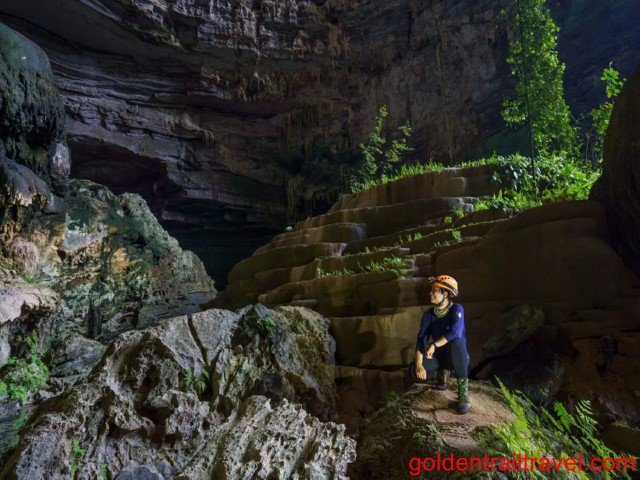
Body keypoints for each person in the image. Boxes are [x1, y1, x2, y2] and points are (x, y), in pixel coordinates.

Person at [408, 274, 471, 414]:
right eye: (431, 290)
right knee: (413, 370)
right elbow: (421, 340)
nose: (431, 293)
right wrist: (419, 365)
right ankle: (441, 374)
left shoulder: (457, 309)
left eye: (435, 290)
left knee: (457, 342)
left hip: (456, 356)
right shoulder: (428, 315)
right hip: (439, 358)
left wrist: (434, 345)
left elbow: (455, 332)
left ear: (446, 293)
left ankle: (463, 392)